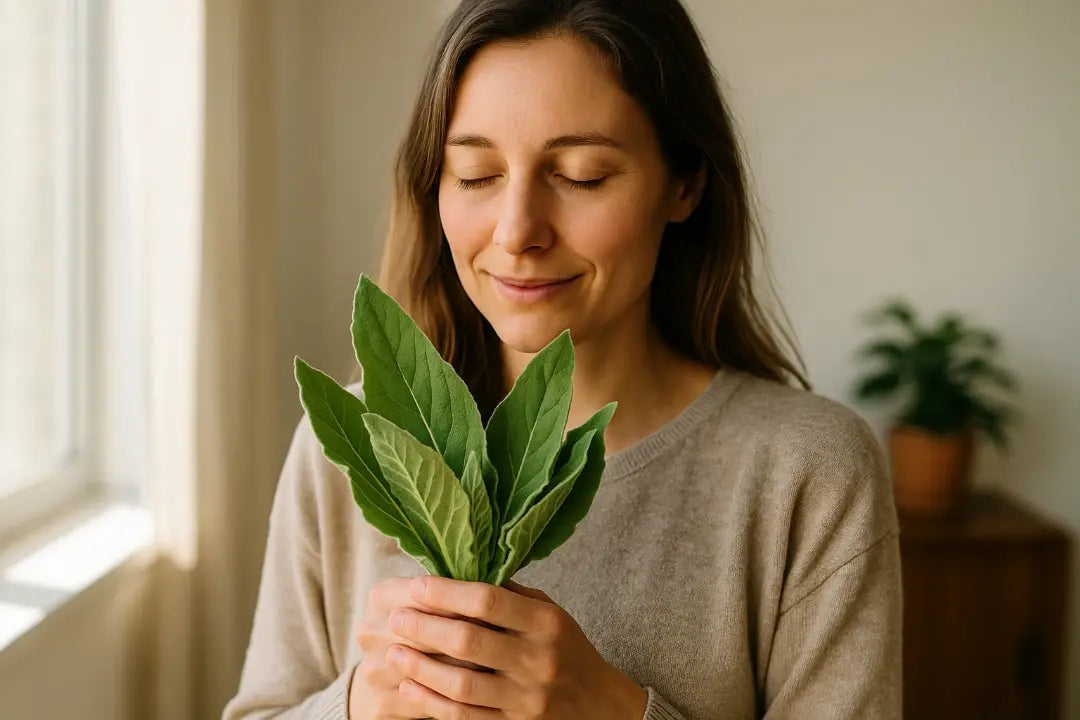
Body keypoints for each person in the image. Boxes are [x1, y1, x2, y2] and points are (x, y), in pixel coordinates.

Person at [222, 0, 902, 718]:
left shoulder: (807, 473)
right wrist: (361, 704)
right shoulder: (354, 446)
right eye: (477, 175)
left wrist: (608, 710)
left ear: (685, 184)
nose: (517, 232)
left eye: (581, 176)